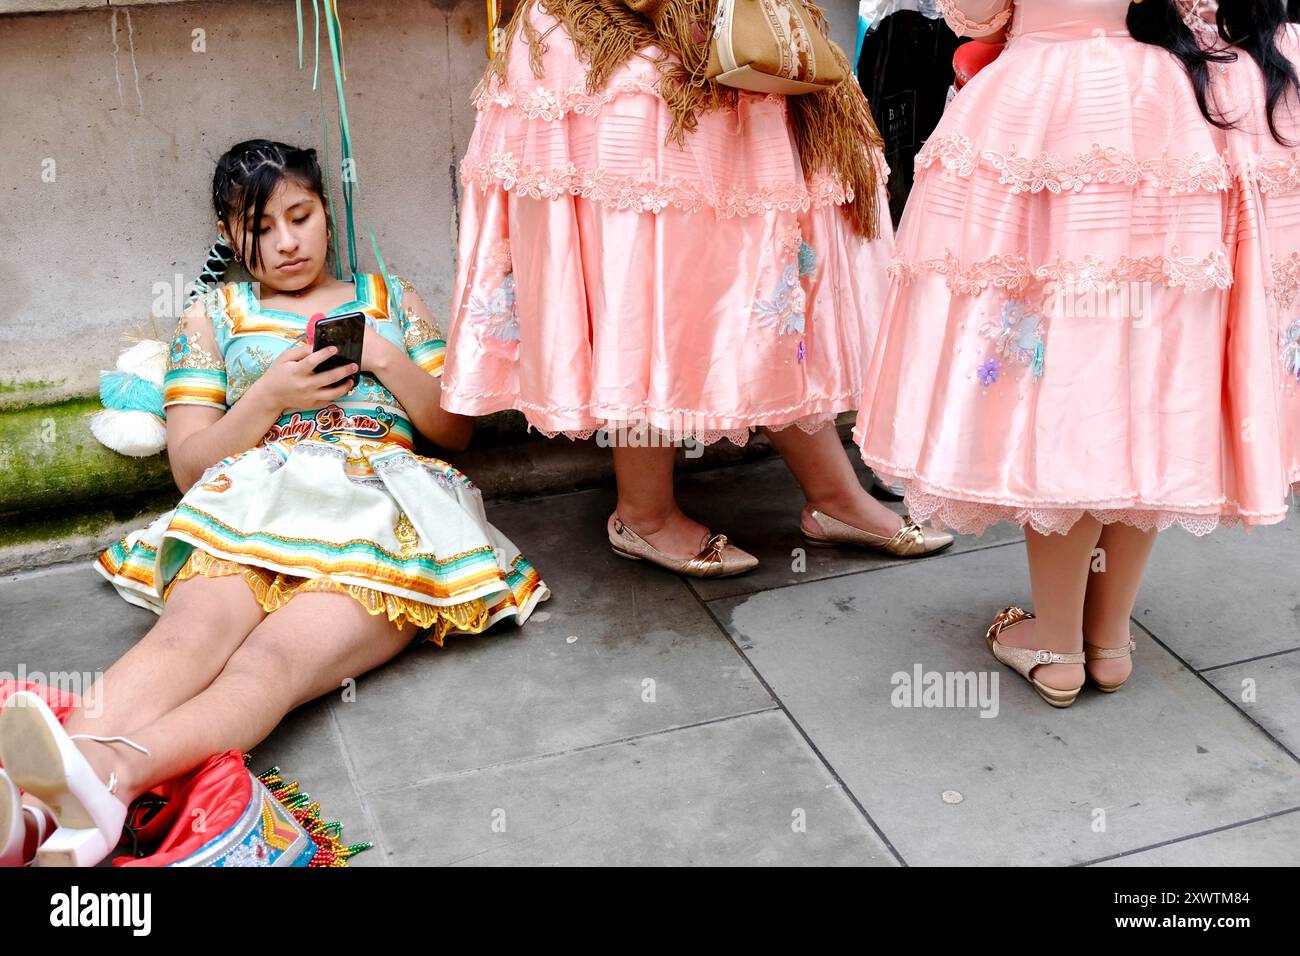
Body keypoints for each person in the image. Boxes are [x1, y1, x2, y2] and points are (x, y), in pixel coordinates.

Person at [0, 139, 549, 866]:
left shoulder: (390, 300)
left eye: (301, 215)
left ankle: (111, 777)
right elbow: (191, 466)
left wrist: (380, 355)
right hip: (250, 507)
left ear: (327, 211)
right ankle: (34, 806)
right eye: (260, 228)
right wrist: (269, 397)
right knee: (184, 641)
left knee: (269, 665)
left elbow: (454, 431)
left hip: (383, 514)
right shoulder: (213, 315)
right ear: (231, 235)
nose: (287, 242)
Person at [854, 0, 1299, 707]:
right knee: (1141, 378)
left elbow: (975, 13)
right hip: (1180, 112)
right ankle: (1109, 639)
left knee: (1061, 378)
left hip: (1051, 115)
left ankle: (1056, 642)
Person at [441, 0, 954, 578]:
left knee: (755, 273)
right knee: (641, 272)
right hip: (605, 47)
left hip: (725, 43)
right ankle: (645, 512)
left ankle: (832, 496)